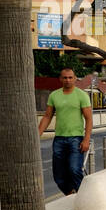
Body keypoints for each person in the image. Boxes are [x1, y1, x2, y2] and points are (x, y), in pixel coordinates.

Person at [38, 68, 92, 196]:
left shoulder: (81, 95)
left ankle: (84, 197)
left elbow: (89, 118)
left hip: (76, 139)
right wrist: (37, 135)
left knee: (74, 170)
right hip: (59, 139)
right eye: (65, 77)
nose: (67, 80)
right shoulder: (54, 95)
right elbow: (47, 116)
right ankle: (70, 195)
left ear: (75, 78)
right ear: (60, 79)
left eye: (70, 77)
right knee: (59, 175)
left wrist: (86, 139)